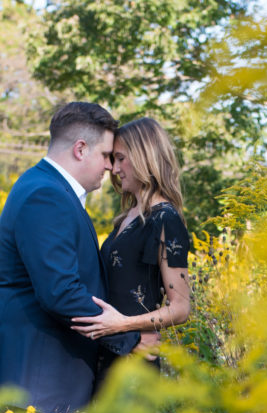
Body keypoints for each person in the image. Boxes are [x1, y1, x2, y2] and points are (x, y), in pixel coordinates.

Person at [0, 102, 141, 413]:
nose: (111, 166)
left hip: (29, 379)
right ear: (81, 149)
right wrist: (130, 337)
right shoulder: (47, 195)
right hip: (27, 382)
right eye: (107, 155)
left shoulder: (44, 188)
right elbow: (60, 292)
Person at [71, 116, 191, 374]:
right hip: (108, 353)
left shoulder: (165, 219)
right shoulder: (127, 217)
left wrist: (123, 326)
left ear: (144, 157)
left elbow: (181, 308)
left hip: (134, 364)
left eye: (121, 158)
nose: (114, 169)